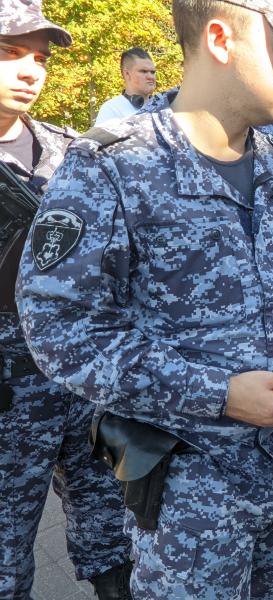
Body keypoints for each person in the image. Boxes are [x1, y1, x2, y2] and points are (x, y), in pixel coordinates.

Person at [17, 1, 273, 597]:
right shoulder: (114, 166)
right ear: (222, 39)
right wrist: (218, 395)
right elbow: (59, 328)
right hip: (189, 492)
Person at [0, 3, 133, 599]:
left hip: (80, 381)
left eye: (41, 59)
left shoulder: (68, 152)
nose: (31, 71)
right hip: (7, 398)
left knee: (109, 526)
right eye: (10, 53)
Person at [94, 47, 156, 126]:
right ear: (127, 74)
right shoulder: (111, 109)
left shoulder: (165, 107)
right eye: (143, 71)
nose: (151, 77)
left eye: (153, 72)